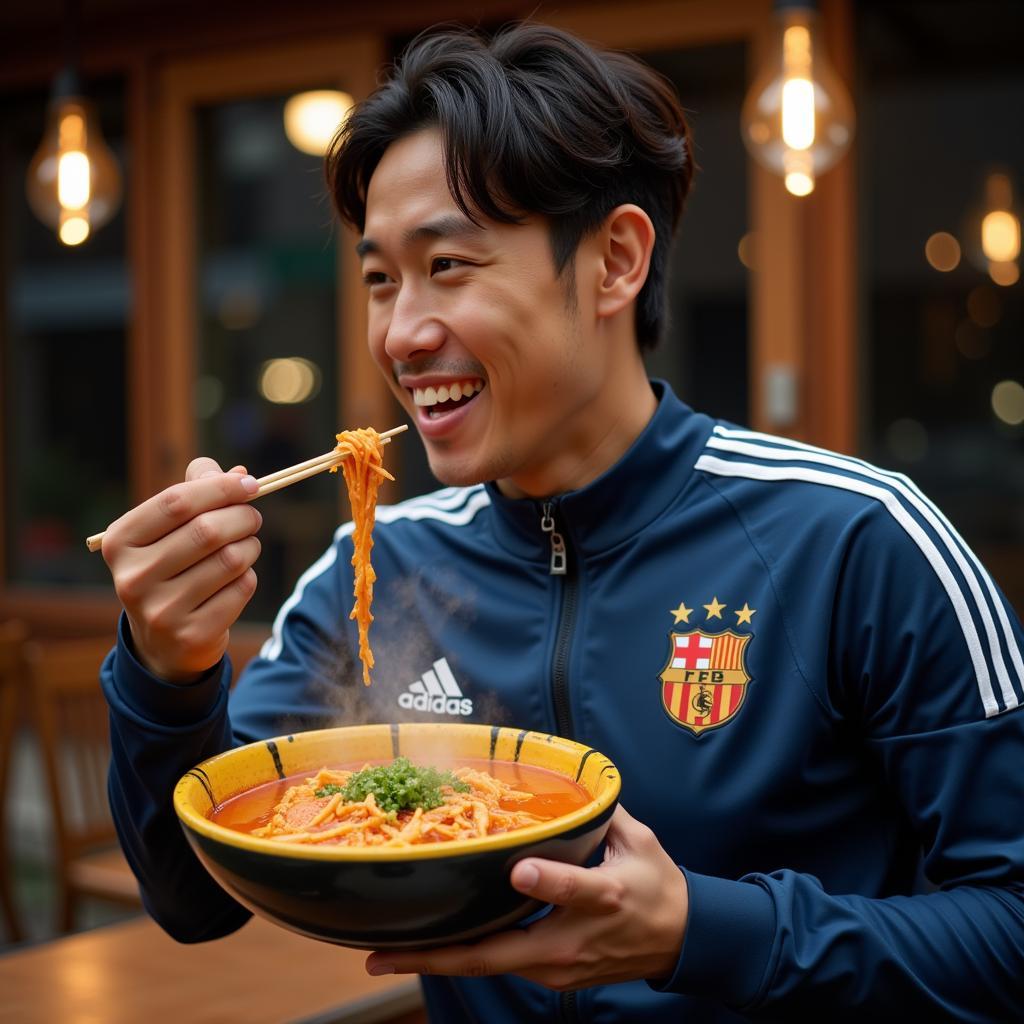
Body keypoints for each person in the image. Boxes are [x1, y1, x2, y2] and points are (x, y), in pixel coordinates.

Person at [99, 22, 1024, 1023]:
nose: (401, 333)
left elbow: (1010, 928)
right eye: (378, 278)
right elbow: (193, 899)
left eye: (448, 263)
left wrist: (701, 932)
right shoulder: (377, 565)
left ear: (614, 261)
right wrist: (166, 667)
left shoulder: (857, 539)